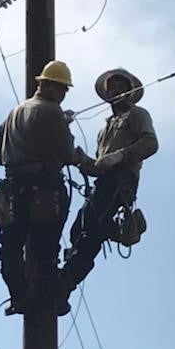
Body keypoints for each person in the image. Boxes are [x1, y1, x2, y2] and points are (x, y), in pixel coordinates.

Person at [61, 68, 158, 296]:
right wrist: (81, 160)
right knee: (79, 228)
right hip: (105, 183)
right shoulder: (105, 129)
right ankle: (112, 233)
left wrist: (121, 155)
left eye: (120, 87)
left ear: (129, 91)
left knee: (90, 232)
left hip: (122, 181)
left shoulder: (137, 115)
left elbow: (151, 144)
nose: (115, 90)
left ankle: (67, 281)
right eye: (112, 87)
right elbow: (98, 167)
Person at [0, 60, 76, 316]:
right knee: (45, 251)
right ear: (51, 86)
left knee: (11, 249)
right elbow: (67, 153)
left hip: (13, 190)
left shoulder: (16, 111)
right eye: (63, 89)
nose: (63, 95)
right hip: (43, 189)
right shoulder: (50, 111)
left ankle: (19, 296)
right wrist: (63, 125)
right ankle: (48, 301)